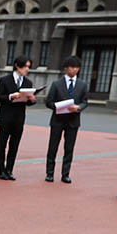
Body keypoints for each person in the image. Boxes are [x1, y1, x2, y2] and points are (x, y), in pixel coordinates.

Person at [44, 55, 88, 183]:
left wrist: (79, 107)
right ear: (66, 68)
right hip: (58, 119)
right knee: (53, 147)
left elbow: (85, 101)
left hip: (73, 121)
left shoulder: (82, 85)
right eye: (72, 67)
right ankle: (50, 173)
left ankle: (65, 174)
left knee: (69, 148)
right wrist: (58, 107)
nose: (75, 70)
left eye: (77, 67)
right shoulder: (57, 84)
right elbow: (49, 102)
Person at [0, 56, 35, 180]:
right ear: (17, 65)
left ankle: (9, 169)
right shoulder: (4, 80)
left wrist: (31, 100)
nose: (27, 69)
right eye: (25, 66)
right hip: (5, 117)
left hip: (19, 118)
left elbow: (27, 102)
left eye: (29, 67)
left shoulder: (28, 83)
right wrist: (10, 96)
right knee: (2, 144)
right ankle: (0, 169)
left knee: (14, 145)